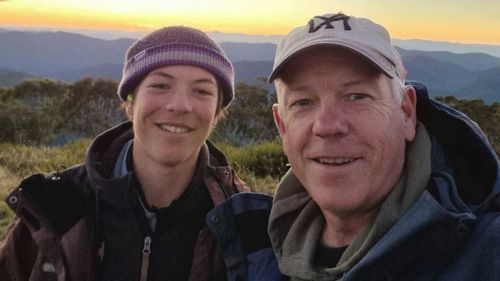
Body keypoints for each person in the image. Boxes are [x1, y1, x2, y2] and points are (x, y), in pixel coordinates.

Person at [0, 26, 282, 281]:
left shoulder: (246, 221)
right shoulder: (53, 207)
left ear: (217, 113)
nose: (180, 105)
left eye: (201, 91)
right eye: (160, 85)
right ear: (131, 103)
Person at [268, 12, 500, 280]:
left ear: (406, 112)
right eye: (303, 102)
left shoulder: (487, 254)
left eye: (357, 96)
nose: (327, 126)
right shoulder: (251, 250)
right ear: (282, 127)